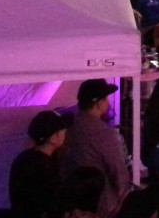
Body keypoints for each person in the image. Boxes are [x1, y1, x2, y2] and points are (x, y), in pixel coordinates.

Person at [61, 79, 131, 218]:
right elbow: (117, 170)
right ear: (99, 104)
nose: (108, 103)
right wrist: (125, 200)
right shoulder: (102, 132)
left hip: (73, 202)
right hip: (101, 203)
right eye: (106, 99)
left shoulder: (69, 128)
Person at [9, 110, 67, 218]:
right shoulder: (46, 168)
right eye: (62, 130)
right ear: (53, 138)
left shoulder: (23, 158)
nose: (66, 132)